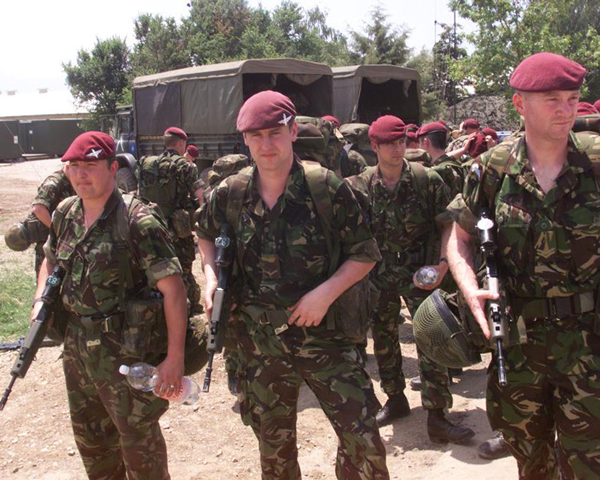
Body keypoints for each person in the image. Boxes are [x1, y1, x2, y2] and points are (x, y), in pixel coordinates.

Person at [197, 91, 389, 479]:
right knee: (275, 451)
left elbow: (365, 253)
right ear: (245, 140)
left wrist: (325, 293)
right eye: (256, 136)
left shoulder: (326, 187)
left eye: (274, 133)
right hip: (260, 341)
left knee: (363, 441)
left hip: (325, 336)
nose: (266, 145)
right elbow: (203, 232)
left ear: (292, 131)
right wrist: (211, 277)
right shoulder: (232, 191)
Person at [447, 52, 600, 478]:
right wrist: (469, 287)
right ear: (520, 105)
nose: (566, 109)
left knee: (589, 464)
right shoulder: (492, 169)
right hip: (518, 349)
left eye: (572, 98)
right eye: (552, 99)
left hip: (590, 347)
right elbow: (458, 239)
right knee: (530, 462)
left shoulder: (596, 161)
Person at [31, 131, 187, 479]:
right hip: (77, 349)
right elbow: (50, 260)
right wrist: (41, 297)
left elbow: (174, 290)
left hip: (126, 353)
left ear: (112, 167)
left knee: (139, 445)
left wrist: (174, 358)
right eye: (73, 166)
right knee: (93, 444)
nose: (81, 174)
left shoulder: (137, 220)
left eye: (90, 165)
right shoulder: (65, 213)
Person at [345, 115, 475, 444]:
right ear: (374, 146)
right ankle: (396, 400)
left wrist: (444, 265)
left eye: (403, 141)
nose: (399, 148)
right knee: (385, 342)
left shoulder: (425, 179)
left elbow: (449, 223)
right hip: (376, 276)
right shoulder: (358, 187)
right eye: (390, 143)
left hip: (422, 274)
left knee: (432, 339)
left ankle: (438, 414)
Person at [137, 127, 203, 315]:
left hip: (151, 226)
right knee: (183, 269)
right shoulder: (186, 166)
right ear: (181, 143)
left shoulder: (145, 163)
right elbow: (200, 198)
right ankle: (188, 308)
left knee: (155, 269)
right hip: (178, 230)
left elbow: (140, 194)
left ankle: (157, 306)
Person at [30, 167, 75, 275]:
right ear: (68, 167)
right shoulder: (53, 182)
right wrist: (56, 231)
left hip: (62, 240)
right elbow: (38, 208)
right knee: (47, 278)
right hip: (47, 240)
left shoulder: (71, 181)